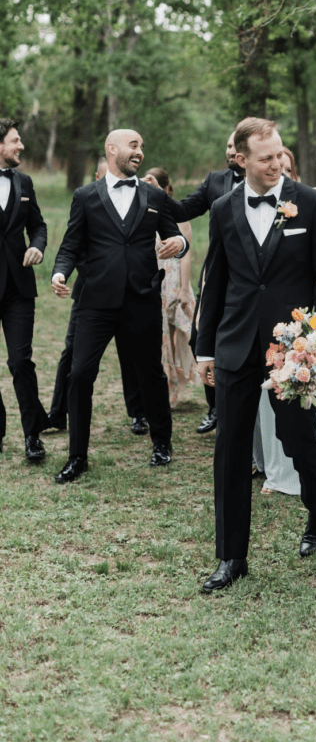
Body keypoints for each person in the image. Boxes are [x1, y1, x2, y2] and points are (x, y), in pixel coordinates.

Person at [195, 117, 316, 592]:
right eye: (265, 158)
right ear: (240, 159)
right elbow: (215, 280)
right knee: (231, 449)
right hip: (235, 343)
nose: (277, 163)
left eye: (280, 154)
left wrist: (311, 337)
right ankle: (231, 557)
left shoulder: (312, 203)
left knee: (298, 437)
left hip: (292, 347)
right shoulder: (222, 207)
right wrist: (204, 348)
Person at [51, 129, 187, 483]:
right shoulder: (85, 196)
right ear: (112, 149)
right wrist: (60, 273)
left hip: (141, 298)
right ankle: (77, 456)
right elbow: (70, 245)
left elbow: (174, 234)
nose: (140, 151)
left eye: (142, 146)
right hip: (95, 302)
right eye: (133, 145)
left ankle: (162, 443)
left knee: (151, 374)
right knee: (80, 374)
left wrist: (180, 243)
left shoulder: (154, 195)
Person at [258, 148, 316, 496]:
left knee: (305, 406)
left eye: (282, 165)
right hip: (259, 326)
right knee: (268, 407)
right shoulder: (236, 205)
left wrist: (314, 328)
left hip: (299, 326)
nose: (275, 169)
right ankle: (276, 470)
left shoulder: (309, 203)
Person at [47, 156, 146, 435]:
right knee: (71, 355)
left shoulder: (131, 205)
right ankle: (58, 413)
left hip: (127, 296)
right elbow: (71, 247)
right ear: (96, 178)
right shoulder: (86, 202)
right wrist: (64, 274)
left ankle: (138, 412)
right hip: (89, 294)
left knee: (131, 355)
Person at [162, 131, 244, 434]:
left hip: (253, 280)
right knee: (202, 339)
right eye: (228, 145)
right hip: (217, 274)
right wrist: (157, 194)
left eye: (235, 145)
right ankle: (215, 408)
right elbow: (184, 210)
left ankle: (237, 411)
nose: (230, 150)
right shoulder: (215, 181)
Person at [0, 118, 49, 461]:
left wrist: (37, 246)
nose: (21, 146)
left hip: (19, 287)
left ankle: (33, 436)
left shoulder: (25, 182)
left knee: (21, 361)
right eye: (15, 140)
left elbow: (39, 226)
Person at [144, 167, 201, 408]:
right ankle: (167, 392)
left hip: (174, 281)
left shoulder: (179, 215)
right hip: (153, 280)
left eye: (153, 184)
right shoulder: (145, 211)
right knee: (161, 339)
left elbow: (185, 255)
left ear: (166, 188)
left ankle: (193, 376)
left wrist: (183, 289)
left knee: (186, 333)